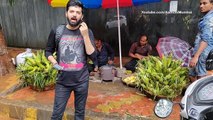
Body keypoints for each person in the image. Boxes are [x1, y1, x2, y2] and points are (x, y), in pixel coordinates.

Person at [45, 1, 97, 120]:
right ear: (66, 14)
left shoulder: (87, 32)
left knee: (79, 114)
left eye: (78, 12)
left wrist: (85, 36)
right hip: (62, 82)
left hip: (81, 82)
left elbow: (93, 56)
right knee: (56, 115)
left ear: (82, 16)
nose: (74, 15)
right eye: (72, 11)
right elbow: (48, 51)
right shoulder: (57, 31)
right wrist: (54, 63)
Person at [189, 0, 213, 82]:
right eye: (200, 4)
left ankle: (199, 94)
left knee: (200, 75)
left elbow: (206, 40)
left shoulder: (209, 20)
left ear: (212, 4)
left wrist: (196, 57)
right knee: (192, 73)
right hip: (201, 50)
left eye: (205, 3)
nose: (201, 6)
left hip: (202, 52)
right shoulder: (207, 17)